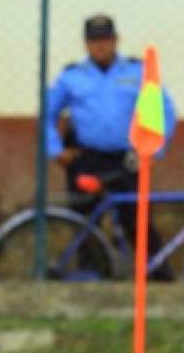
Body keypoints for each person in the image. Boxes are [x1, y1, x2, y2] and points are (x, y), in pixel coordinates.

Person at [46, 14, 177, 281]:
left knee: (137, 218)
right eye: (94, 41)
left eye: (106, 39)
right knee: (84, 219)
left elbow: (165, 110)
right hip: (87, 159)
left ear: (116, 40)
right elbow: (48, 114)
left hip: (128, 159)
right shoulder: (72, 77)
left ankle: (156, 275)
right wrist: (56, 149)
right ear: (86, 44)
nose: (101, 46)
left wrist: (155, 150)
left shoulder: (136, 72)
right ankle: (90, 273)